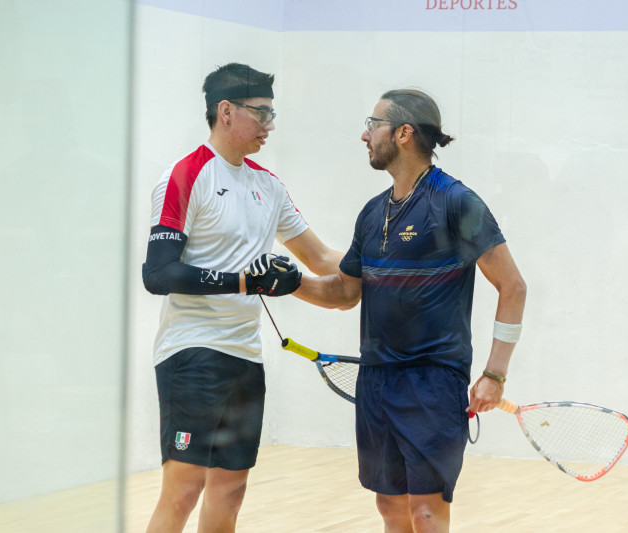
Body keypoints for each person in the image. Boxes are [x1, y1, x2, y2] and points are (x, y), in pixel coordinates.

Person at [295, 89, 527, 533]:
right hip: (377, 379)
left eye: (373, 124)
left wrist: (495, 374)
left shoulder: (457, 202)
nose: (365, 135)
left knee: (426, 511)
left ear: (403, 133)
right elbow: (346, 292)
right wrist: (289, 284)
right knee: (391, 508)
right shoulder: (370, 213)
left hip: (434, 381)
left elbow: (513, 286)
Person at [141, 62, 343, 533]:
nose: (269, 125)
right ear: (225, 112)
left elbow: (320, 258)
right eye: (261, 113)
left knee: (230, 493)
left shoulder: (268, 186)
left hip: (245, 358)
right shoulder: (185, 175)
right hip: (191, 353)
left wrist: (385, 264)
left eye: (273, 115)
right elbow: (159, 273)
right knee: (184, 489)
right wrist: (243, 281)